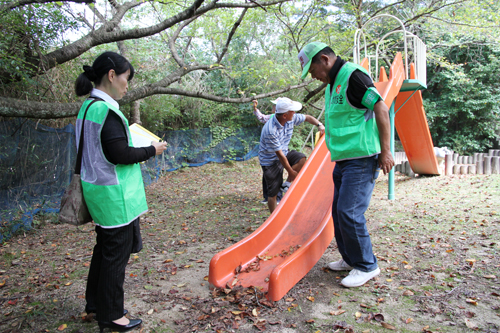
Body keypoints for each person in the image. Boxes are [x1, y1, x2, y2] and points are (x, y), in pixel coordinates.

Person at [74, 51, 168, 332]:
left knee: (104, 250)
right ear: (112, 75)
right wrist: (153, 149)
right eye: (126, 79)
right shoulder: (107, 110)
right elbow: (119, 153)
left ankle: (95, 304)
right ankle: (112, 315)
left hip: (97, 190)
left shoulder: (87, 107)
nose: (127, 86)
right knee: (116, 254)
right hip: (115, 196)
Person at [297, 42, 395, 287]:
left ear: (325, 59)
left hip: (362, 158)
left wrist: (386, 151)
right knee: (338, 213)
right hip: (343, 159)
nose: (312, 75)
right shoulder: (333, 84)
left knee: (349, 212)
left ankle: (367, 265)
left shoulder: (354, 76)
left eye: (312, 69)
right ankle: (350, 259)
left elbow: (381, 108)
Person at [258, 97, 325, 213]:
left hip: (284, 152)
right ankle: (273, 217)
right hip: (270, 161)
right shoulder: (270, 130)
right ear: (284, 115)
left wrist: (319, 124)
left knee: (301, 158)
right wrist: (290, 171)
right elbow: (279, 155)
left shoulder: (291, 119)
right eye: (292, 111)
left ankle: (287, 183)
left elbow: (308, 118)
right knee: (273, 192)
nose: (294, 113)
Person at [251, 99, 282, 204]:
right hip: (267, 154)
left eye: (275, 105)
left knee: (277, 175)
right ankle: (267, 197)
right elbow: (262, 117)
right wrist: (255, 108)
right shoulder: (272, 117)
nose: (272, 107)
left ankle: (278, 197)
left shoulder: (284, 119)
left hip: (277, 152)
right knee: (266, 175)